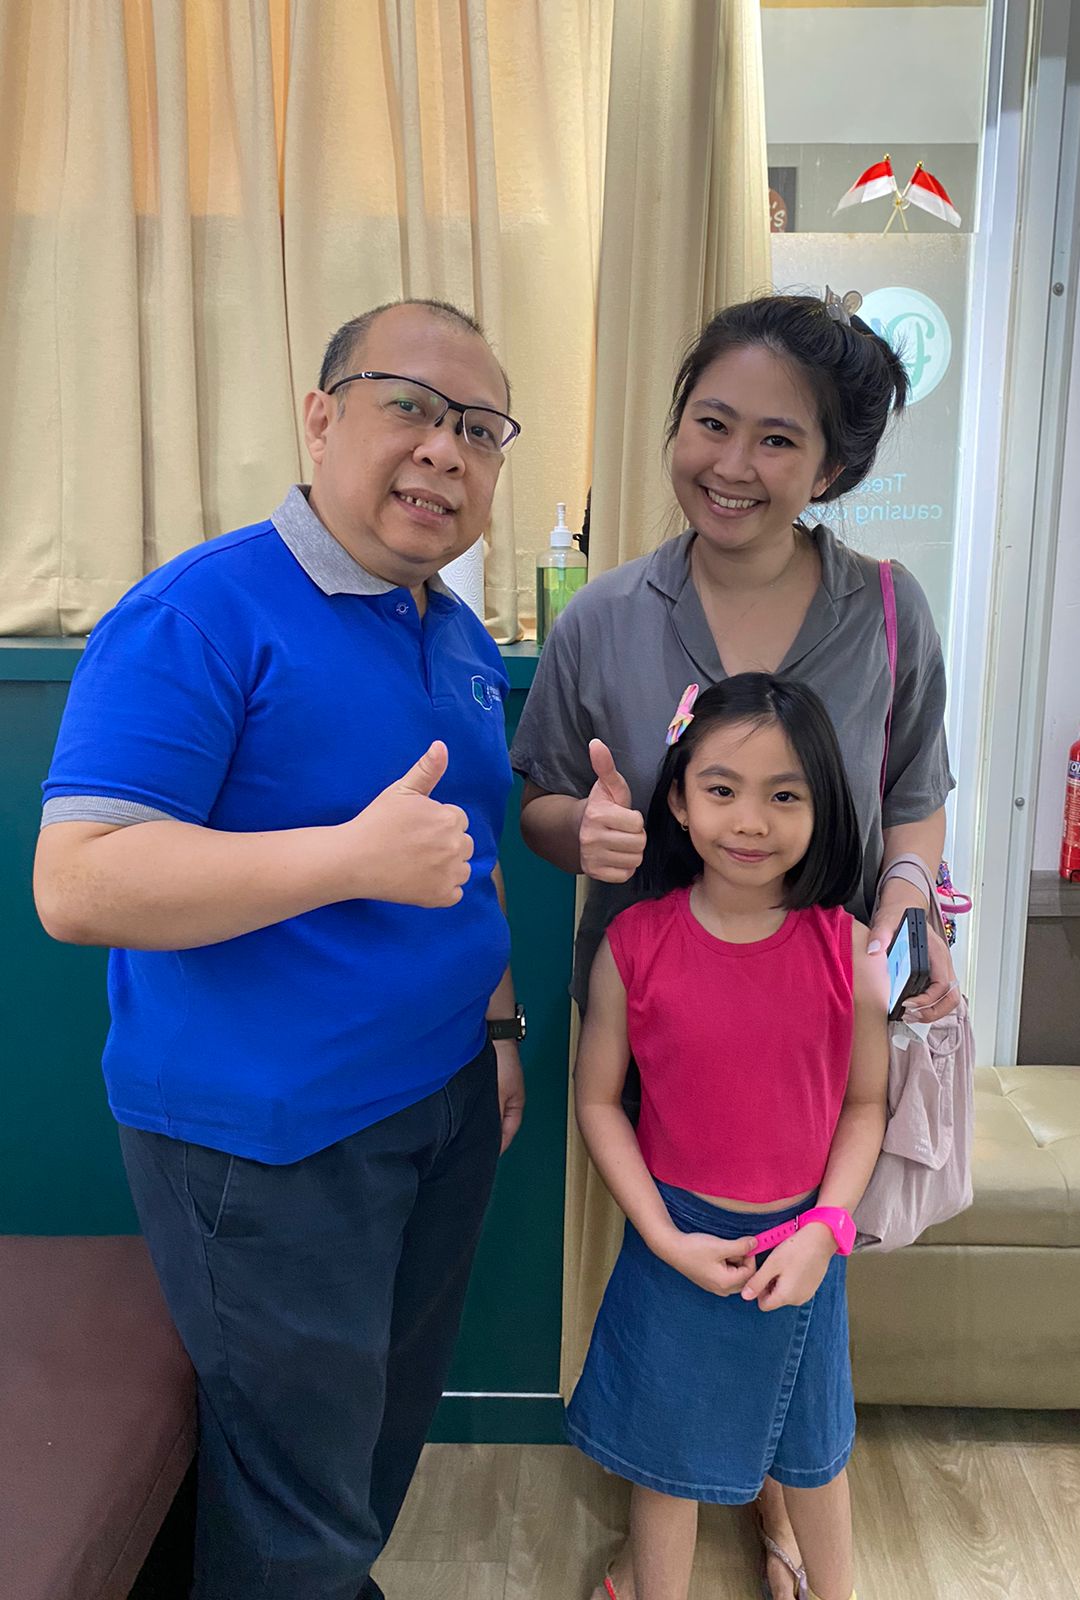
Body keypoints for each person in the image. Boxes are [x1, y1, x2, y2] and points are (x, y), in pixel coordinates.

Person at [33, 299, 528, 1600]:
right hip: (268, 1147)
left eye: (480, 429)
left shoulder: (456, 633)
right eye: (410, 406)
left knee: (368, 1448)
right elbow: (77, 882)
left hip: (441, 1103)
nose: (445, 449)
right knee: (295, 1499)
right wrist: (346, 860)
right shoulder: (198, 612)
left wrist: (497, 1028)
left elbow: (466, 851)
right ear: (320, 417)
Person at [509, 292, 958, 1596]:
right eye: (711, 423)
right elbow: (539, 798)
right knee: (677, 1264)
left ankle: (775, 1502)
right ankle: (671, 1494)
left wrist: (907, 906)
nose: (733, 464)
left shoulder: (887, 610)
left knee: (801, 1259)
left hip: (820, 1012)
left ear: (833, 467)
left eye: (777, 439)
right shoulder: (604, 617)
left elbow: (917, 791)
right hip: (652, 1010)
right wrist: (583, 832)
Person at [568, 673, 888, 1600]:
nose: (751, 821)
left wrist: (827, 1228)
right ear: (678, 798)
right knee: (664, 1467)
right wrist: (664, 1237)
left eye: (785, 795)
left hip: (806, 1244)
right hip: (674, 1243)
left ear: (822, 809)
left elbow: (866, 1105)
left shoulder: (848, 950)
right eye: (722, 789)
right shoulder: (634, 945)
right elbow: (599, 1103)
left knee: (816, 1458)